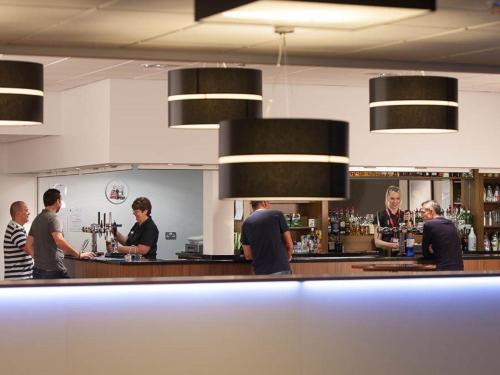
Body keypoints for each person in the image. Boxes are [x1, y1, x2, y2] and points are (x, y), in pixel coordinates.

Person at [27, 188, 95, 279]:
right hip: (53, 270)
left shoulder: (37, 219)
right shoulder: (53, 218)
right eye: (61, 200)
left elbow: (28, 244)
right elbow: (59, 241)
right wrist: (79, 255)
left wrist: (39, 259)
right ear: (58, 201)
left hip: (37, 270)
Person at [241, 201, 293, 275]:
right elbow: (289, 244)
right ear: (264, 202)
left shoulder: (246, 223)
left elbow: (248, 255)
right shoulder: (277, 214)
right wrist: (287, 256)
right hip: (281, 268)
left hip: (260, 271)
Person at [421, 199, 464, 271]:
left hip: (443, 269)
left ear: (431, 211)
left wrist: (432, 250)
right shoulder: (451, 223)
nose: (421, 215)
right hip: (459, 268)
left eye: (423, 212)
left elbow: (425, 253)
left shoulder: (428, 225)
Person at [373, 185, 411, 253]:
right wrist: (391, 245)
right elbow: (377, 242)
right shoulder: (380, 215)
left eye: (397, 198)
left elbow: (409, 237)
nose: (395, 201)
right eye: (392, 198)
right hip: (386, 255)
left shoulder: (405, 215)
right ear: (388, 199)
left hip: (403, 253)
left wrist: (407, 222)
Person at [3, 201, 34, 280]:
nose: (28, 213)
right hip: (19, 279)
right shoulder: (15, 230)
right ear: (18, 213)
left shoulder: (17, 228)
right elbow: (30, 250)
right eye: (26, 210)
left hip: (21, 278)